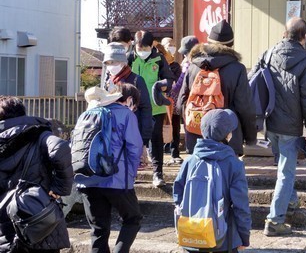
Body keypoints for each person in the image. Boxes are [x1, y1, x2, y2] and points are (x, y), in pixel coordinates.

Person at [249, 17, 306, 236]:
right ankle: (274, 220)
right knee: (286, 173)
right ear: (303, 37)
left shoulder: (268, 54)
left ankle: (291, 202)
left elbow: (253, 80)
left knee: (283, 167)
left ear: (284, 33)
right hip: (291, 124)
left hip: (270, 122)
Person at [0, 95, 73, 253]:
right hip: (38, 216)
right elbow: (60, 148)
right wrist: (60, 189)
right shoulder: (38, 134)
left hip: (4, 223)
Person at [75, 84, 144, 253]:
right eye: (135, 105)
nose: (134, 109)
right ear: (129, 100)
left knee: (98, 230)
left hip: (87, 179)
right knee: (133, 219)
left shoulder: (87, 113)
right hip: (116, 180)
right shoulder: (126, 114)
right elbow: (134, 148)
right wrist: (131, 176)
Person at [173, 109, 251, 252]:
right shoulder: (234, 164)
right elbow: (241, 206)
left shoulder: (189, 161)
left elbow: (178, 195)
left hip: (192, 235)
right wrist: (244, 237)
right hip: (223, 237)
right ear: (228, 135)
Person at [177, 20, 257, 156]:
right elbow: (245, 106)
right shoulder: (237, 69)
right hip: (228, 136)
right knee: (226, 175)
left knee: (200, 175)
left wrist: (192, 123)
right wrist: (250, 137)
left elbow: (181, 103)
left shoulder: (194, 66)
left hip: (197, 135)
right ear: (231, 44)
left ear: (208, 42)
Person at [129, 30, 175, 187]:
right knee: (133, 139)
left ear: (152, 45)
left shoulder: (159, 59)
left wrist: (163, 86)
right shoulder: (130, 58)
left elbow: (169, 79)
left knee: (155, 141)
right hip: (133, 107)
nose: (141, 51)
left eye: (145, 48)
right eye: (139, 48)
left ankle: (158, 173)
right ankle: (132, 172)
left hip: (155, 106)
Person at [103, 42, 153, 152]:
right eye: (108, 63)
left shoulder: (137, 80)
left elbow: (146, 109)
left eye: (115, 62)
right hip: (112, 134)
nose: (111, 65)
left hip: (132, 132)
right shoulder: (107, 82)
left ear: (123, 62)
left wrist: (144, 139)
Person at [170, 35, 199, 154]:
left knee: (191, 131)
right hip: (205, 104)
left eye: (185, 53)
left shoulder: (188, 65)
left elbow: (179, 86)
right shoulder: (206, 62)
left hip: (191, 103)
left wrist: (171, 89)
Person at [160, 37, 183, 163]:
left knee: (175, 127)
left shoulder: (176, 65)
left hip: (173, 101)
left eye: (174, 44)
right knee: (160, 127)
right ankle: (162, 152)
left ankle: (175, 153)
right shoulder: (158, 63)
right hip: (160, 101)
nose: (172, 47)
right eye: (169, 44)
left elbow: (177, 82)